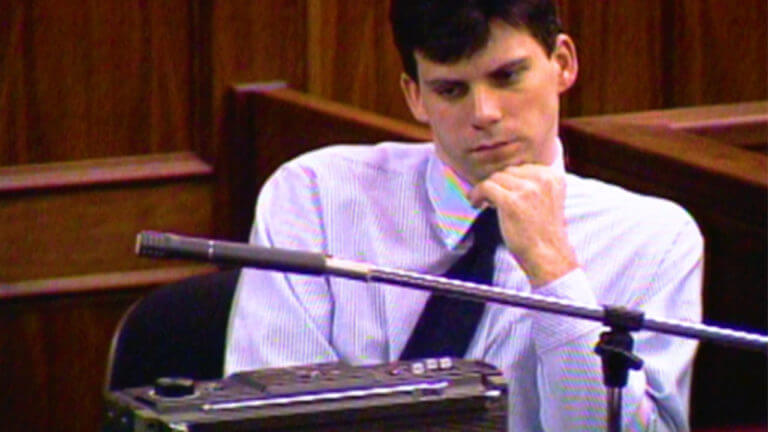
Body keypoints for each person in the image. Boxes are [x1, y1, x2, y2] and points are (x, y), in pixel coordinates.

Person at [225, 0, 703, 430]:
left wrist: (554, 269)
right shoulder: (316, 196)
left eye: (507, 76)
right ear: (415, 96)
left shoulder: (656, 241)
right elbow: (269, 419)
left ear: (562, 63)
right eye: (451, 90)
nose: (484, 112)